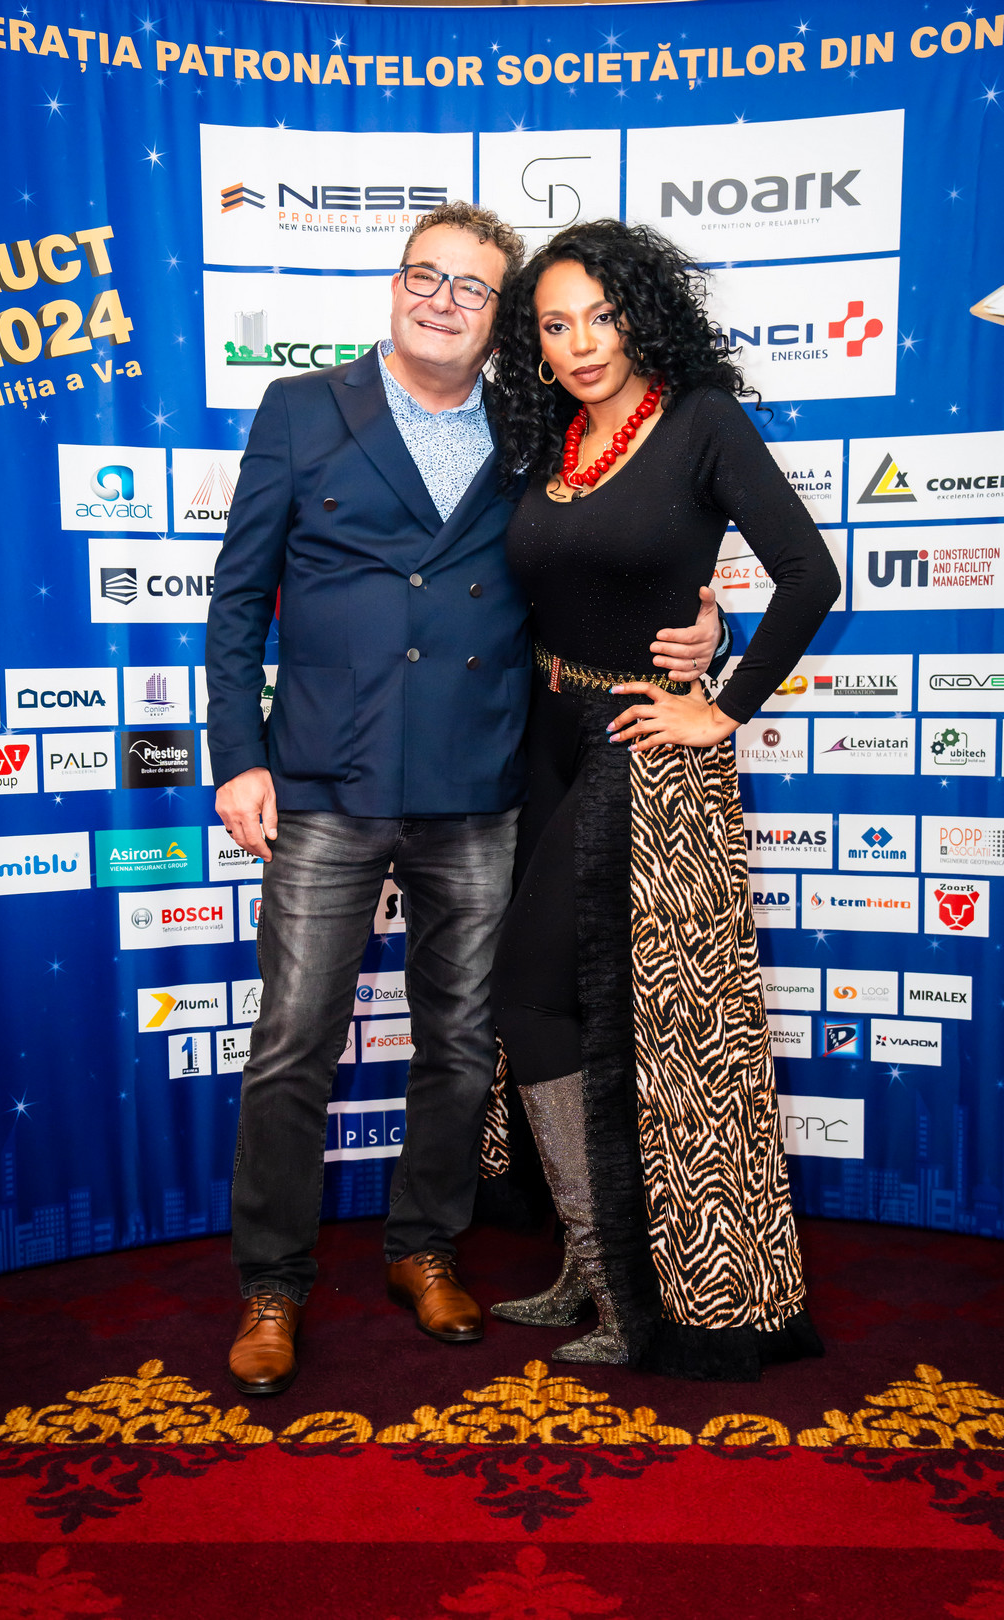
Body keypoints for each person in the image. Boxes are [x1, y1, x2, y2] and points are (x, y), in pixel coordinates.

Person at [204, 202, 727, 1397]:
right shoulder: (301, 408)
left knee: (456, 1041)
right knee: (292, 1043)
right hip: (324, 779)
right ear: (396, 288)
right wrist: (239, 755)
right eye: (424, 277)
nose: (443, 301)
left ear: (501, 318)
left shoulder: (529, 425)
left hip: (477, 780)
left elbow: (605, 561)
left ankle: (424, 1248)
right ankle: (272, 1283)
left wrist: (707, 632)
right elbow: (238, 600)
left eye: (473, 288)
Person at [488, 219, 841, 1383]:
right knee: (566, 1012)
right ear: (535, 343)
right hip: (543, 740)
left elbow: (811, 575)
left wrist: (722, 703)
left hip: (642, 749)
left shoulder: (701, 422)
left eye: (602, 315)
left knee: (544, 995)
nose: (582, 343)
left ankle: (625, 1286)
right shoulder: (541, 437)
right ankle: (587, 1261)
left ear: (643, 316)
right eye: (556, 324)